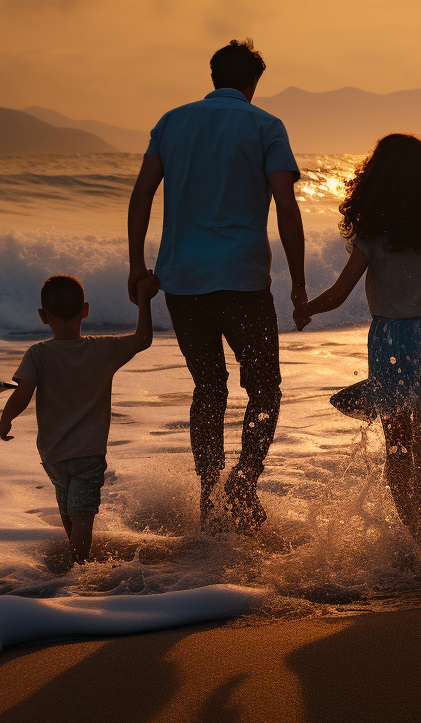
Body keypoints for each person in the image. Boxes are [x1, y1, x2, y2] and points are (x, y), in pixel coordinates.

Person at [126, 39, 308, 534]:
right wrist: (298, 283)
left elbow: (142, 193)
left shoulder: (171, 122)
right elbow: (286, 207)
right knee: (264, 390)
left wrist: (135, 265)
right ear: (254, 82)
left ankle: (209, 495)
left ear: (212, 76)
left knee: (208, 388)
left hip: (182, 282)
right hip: (244, 281)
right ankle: (244, 482)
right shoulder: (266, 126)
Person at [294, 133, 421, 545]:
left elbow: (338, 295)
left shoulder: (372, 238)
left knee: (398, 449)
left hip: (388, 344)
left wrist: (305, 309)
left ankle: (409, 536)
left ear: (376, 182)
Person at [0, 272, 159, 565]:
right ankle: (79, 575)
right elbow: (143, 339)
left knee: (70, 515)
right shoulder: (102, 349)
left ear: (42, 316)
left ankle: (75, 573)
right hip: (88, 456)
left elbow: (22, 392)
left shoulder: (37, 354)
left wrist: (6, 418)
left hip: (53, 456)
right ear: (85, 310)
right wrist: (144, 299)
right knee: (81, 518)